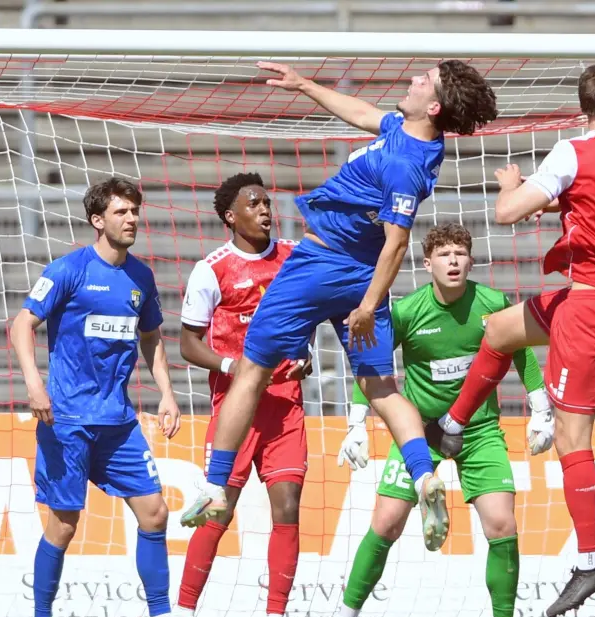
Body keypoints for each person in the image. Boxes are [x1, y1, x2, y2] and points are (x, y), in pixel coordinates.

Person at [178, 60, 499, 557]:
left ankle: (215, 484)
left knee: (252, 368)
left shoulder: (405, 166)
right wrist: (305, 85)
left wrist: (370, 305)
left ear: (433, 105)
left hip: (323, 265)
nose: (412, 79)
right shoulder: (406, 134)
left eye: (423, 79)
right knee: (380, 387)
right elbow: (364, 114)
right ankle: (424, 475)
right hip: (355, 272)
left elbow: (397, 242)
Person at [428, 63, 595, 617]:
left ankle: (589, 562)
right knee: (501, 329)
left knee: (570, 434)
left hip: (589, 304)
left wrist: (514, 187)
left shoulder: (572, 152)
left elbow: (507, 212)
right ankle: (454, 427)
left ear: (584, 106)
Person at [308, 223, 551, 617]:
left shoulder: (493, 304)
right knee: (385, 523)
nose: (453, 261)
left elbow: (523, 351)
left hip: (478, 429)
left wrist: (541, 409)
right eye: (444, 255)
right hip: (420, 432)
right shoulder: (407, 312)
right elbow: (373, 361)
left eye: (460, 253)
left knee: (502, 524)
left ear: (471, 261)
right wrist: (356, 422)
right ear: (427, 264)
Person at [11, 178, 180, 617]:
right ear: (98, 220)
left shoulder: (141, 277)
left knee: (155, 512)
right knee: (63, 524)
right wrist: (34, 383)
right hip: (67, 418)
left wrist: (167, 394)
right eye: (122, 211)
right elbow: (22, 323)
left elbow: (152, 337)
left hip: (118, 421)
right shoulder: (68, 270)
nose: (131, 219)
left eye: (135, 211)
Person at [168, 173, 312, 617]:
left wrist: (305, 354)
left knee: (288, 508)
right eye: (254, 203)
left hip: (286, 406)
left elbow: (308, 314)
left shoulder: (294, 256)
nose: (266, 209)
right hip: (235, 409)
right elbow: (188, 343)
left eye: (268, 202)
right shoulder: (212, 270)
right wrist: (234, 366)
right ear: (231, 215)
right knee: (218, 511)